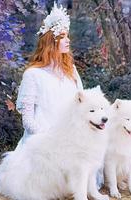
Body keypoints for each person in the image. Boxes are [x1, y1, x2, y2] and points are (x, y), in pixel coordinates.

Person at [15, 2, 83, 147]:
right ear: (51, 42)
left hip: (70, 144)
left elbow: (81, 108)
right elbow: (28, 121)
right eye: (63, 36)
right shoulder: (33, 74)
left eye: (67, 36)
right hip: (40, 146)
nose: (68, 40)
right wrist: (51, 139)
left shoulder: (71, 71)